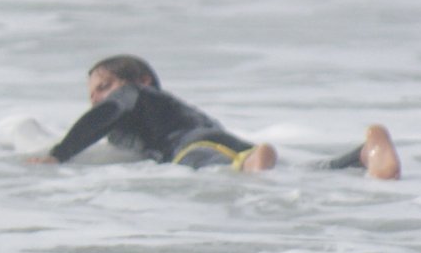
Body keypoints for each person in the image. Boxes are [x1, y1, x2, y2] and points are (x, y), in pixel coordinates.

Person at [29, 54, 400, 178]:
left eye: (103, 85)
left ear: (140, 81)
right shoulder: (171, 110)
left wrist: (59, 153)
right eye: (92, 92)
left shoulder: (135, 96)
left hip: (197, 147)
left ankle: (252, 163)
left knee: (221, 166)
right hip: (229, 143)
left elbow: (106, 114)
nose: (96, 99)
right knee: (299, 172)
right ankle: (365, 154)